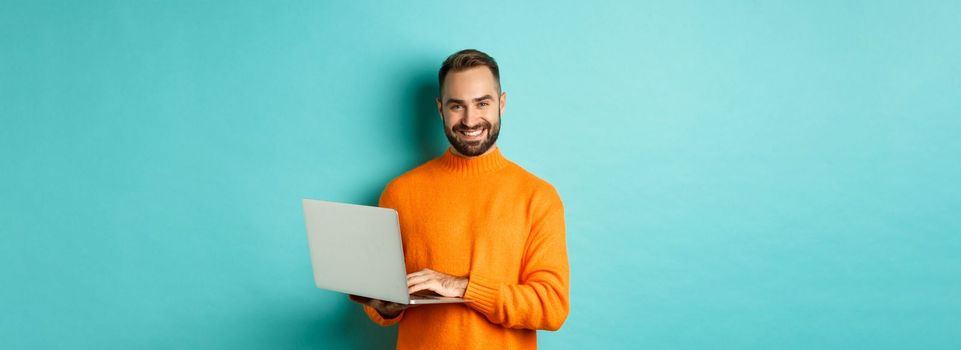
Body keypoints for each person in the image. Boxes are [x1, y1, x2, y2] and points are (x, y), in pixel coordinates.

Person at [348, 49, 570, 349]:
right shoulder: (399, 192)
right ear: (440, 109)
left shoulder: (538, 197)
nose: (470, 119)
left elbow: (552, 307)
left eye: (482, 103)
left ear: (501, 104)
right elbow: (381, 306)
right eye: (457, 106)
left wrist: (462, 287)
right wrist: (386, 307)